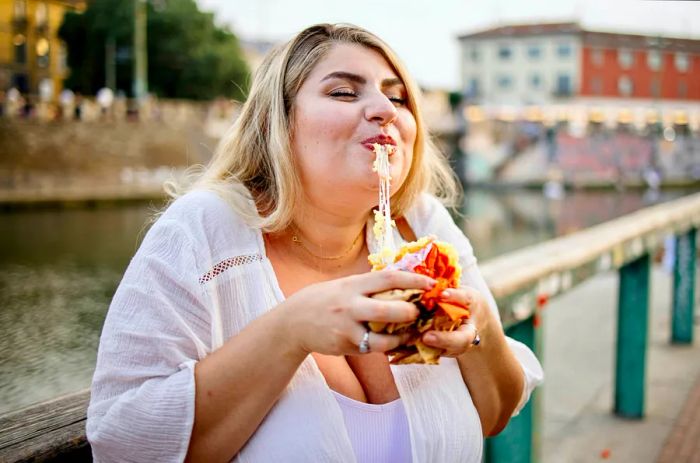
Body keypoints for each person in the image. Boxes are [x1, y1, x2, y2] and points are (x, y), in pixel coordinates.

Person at [86, 24, 543, 462]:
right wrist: (292, 329)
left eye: (397, 96)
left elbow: (496, 415)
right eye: (344, 92)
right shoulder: (203, 229)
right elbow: (122, 444)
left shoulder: (421, 224)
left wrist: (476, 318)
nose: (384, 108)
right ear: (278, 123)